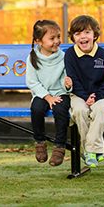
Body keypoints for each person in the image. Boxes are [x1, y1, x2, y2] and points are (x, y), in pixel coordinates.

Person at [64, 15, 104, 168]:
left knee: (100, 109)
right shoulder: (70, 55)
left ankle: (89, 151)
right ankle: (95, 150)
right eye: (78, 34)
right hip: (78, 93)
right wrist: (86, 97)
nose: (83, 37)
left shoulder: (103, 55)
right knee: (79, 111)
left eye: (86, 32)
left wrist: (97, 96)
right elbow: (73, 78)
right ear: (73, 38)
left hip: (99, 93)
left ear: (94, 35)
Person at [26, 20, 72, 166]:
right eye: (52, 38)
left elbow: (67, 81)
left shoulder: (64, 57)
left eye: (58, 37)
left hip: (60, 93)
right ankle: (40, 142)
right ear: (39, 41)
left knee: (60, 110)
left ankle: (60, 146)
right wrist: (47, 97)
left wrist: (68, 86)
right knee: (37, 108)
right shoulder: (32, 58)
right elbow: (32, 82)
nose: (57, 41)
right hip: (42, 94)